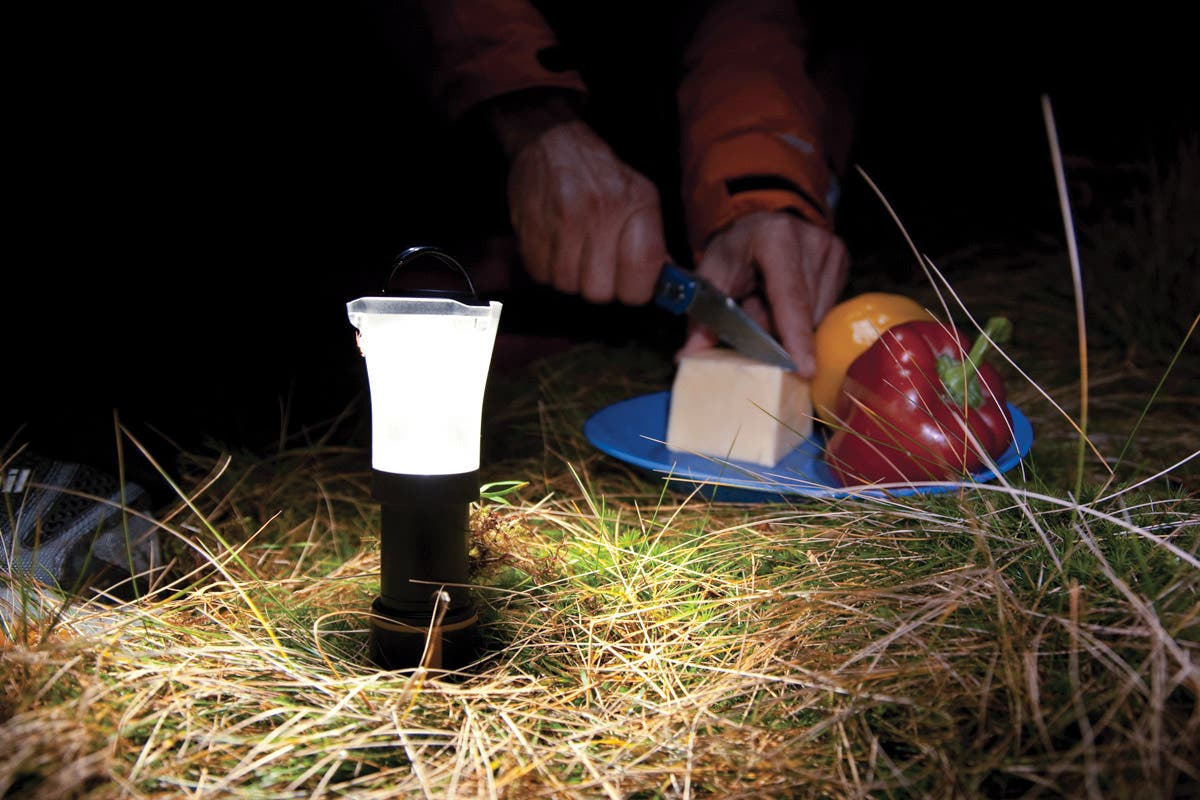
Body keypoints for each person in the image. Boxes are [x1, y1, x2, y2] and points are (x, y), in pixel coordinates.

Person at [403, 0, 865, 377]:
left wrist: (759, 192)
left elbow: (747, 18)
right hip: (434, 156)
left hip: (670, 156)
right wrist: (530, 115)